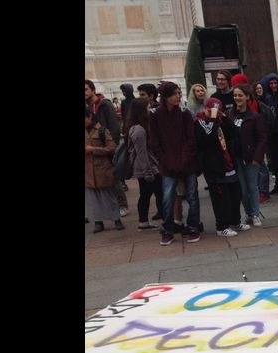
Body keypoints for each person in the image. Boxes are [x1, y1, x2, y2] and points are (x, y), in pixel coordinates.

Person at [149, 81, 202, 245]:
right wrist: (164, 159)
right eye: (175, 94)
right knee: (167, 198)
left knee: (192, 196)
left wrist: (186, 158)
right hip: (167, 164)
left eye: (179, 93)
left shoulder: (185, 113)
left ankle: (193, 226)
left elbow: (191, 139)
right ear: (165, 96)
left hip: (187, 163)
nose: (178, 96)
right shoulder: (156, 115)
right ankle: (168, 229)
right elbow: (154, 141)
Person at [195, 97, 246, 236]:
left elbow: (235, 133)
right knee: (221, 199)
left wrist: (224, 118)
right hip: (214, 167)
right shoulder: (200, 122)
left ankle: (235, 220)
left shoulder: (221, 121)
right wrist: (212, 118)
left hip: (228, 164)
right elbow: (208, 138)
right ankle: (221, 226)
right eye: (213, 110)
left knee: (236, 195)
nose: (216, 113)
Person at [230, 83, 267, 226]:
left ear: (247, 97)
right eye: (235, 95)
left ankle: (255, 214)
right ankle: (248, 212)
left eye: (240, 95)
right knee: (242, 189)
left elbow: (262, 138)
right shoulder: (230, 114)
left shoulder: (255, 117)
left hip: (251, 158)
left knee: (252, 187)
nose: (237, 98)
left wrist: (258, 157)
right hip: (236, 157)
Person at [126, 98, 165, 230]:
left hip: (146, 167)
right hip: (147, 168)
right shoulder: (139, 130)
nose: (150, 109)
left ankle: (143, 222)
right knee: (159, 193)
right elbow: (141, 153)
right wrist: (148, 172)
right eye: (148, 107)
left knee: (146, 194)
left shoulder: (138, 127)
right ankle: (165, 220)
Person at [85, 106, 125, 232]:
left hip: (103, 169)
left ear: (89, 117)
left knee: (109, 197)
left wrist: (94, 150)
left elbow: (112, 147)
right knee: (93, 200)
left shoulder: (101, 130)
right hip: (88, 172)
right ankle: (98, 222)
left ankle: (116, 219)